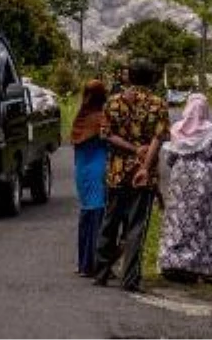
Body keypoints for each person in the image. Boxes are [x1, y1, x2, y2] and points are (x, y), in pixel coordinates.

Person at [92, 58, 170, 293]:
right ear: (152, 79)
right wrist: (145, 166)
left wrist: (130, 148)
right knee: (137, 225)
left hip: (117, 171)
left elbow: (106, 135)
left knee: (110, 220)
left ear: (129, 76)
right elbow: (158, 139)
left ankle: (102, 272)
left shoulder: (113, 102)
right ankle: (130, 279)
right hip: (143, 174)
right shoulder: (158, 104)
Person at [158, 93, 212, 283]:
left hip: (180, 177)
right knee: (204, 219)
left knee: (178, 218)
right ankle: (202, 266)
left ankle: (173, 262)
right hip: (204, 176)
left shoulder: (177, 129)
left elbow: (170, 159)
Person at [71, 79, 109, 277]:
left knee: (86, 215)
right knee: (98, 216)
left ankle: (83, 263)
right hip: (98, 171)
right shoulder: (101, 118)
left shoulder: (80, 118)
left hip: (82, 172)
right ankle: (94, 264)